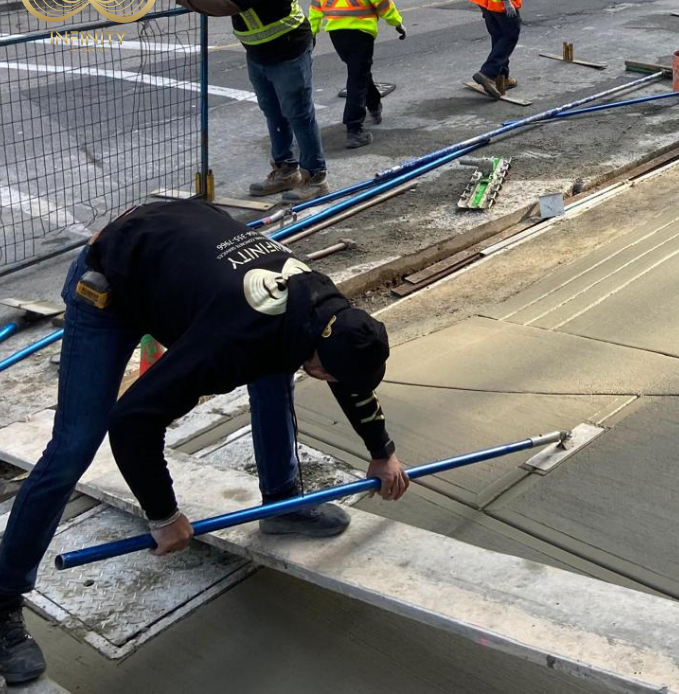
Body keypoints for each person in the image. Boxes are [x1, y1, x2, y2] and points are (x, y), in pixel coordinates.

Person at [0, 200, 411, 685]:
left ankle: (282, 505)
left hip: (174, 262)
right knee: (74, 446)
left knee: (275, 369)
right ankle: (4, 603)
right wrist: (164, 515)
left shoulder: (325, 310)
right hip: (109, 288)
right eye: (325, 372)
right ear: (322, 347)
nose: (326, 379)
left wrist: (382, 452)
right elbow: (133, 422)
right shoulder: (232, 341)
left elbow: (346, 373)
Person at [159, 0, 330, 203]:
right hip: (258, 52)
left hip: (288, 51)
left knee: (298, 113)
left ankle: (316, 176)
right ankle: (286, 171)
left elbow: (225, 4)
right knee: (273, 112)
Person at [309, 0, 408, 150]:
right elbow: (384, 6)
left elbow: (316, 8)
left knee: (360, 71)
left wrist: (312, 33)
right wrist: (397, 24)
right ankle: (354, 129)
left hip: (337, 36)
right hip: (361, 36)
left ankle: (374, 105)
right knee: (356, 77)